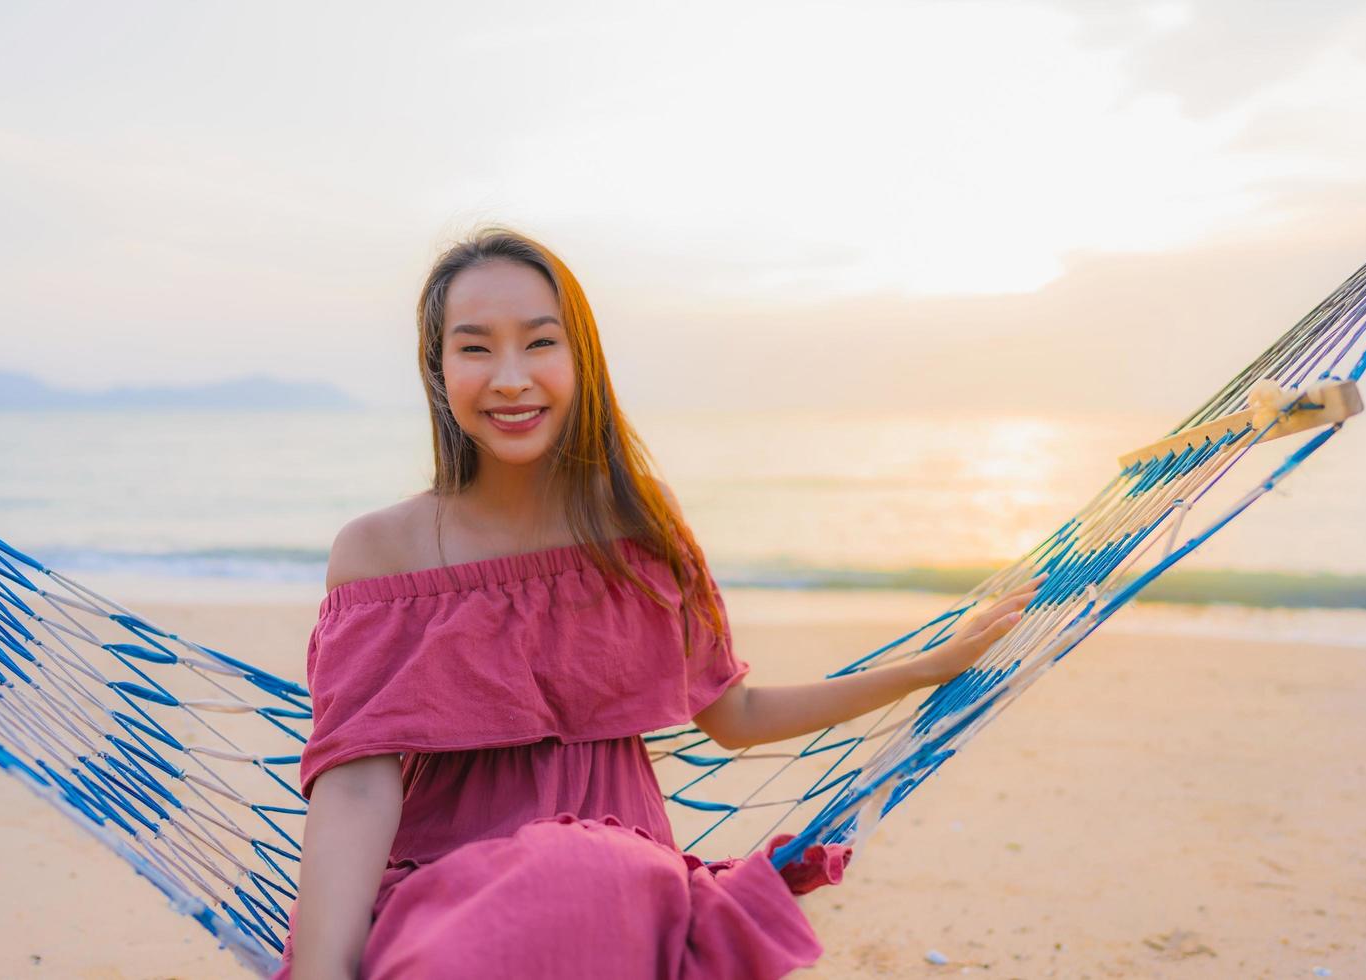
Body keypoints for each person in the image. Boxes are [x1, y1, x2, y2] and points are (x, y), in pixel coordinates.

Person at [274, 228, 1042, 979]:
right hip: (443, 882)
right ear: (438, 371)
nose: (510, 377)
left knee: (574, 878)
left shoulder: (637, 525)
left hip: (618, 871)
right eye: (475, 347)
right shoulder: (381, 552)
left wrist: (927, 669)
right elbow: (358, 785)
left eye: (540, 343)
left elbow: (733, 716)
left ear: (581, 361)